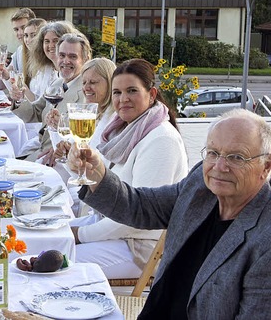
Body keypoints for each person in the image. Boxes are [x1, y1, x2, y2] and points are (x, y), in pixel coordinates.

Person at [69, 109, 271, 318]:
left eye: (237, 157)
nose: (219, 166)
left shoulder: (266, 240)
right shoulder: (200, 187)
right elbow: (140, 206)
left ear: (266, 166)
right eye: (213, 153)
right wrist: (97, 173)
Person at [67, 58, 188, 279]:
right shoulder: (124, 130)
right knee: (44, 238)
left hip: (138, 246)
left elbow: (136, 217)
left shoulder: (162, 140)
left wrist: (80, 234)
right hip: (110, 228)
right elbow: (110, 194)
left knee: (57, 260)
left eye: (131, 90)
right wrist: (78, 166)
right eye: (117, 93)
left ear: (151, 94)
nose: (123, 99)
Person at [50, 57, 116, 215]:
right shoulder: (95, 113)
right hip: (80, 185)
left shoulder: (113, 120)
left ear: (110, 83)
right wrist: (56, 134)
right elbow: (74, 151)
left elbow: (93, 167)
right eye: (84, 82)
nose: (87, 87)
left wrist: (70, 154)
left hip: (95, 199)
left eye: (93, 82)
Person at [13, 29, 88, 162]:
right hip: (40, 148)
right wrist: (19, 100)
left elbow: (86, 135)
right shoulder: (57, 83)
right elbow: (36, 111)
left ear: (85, 59)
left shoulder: (86, 91)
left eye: (73, 57)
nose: (66, 61)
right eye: (62, 55)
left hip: (58, 158)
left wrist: (62, 129)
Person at [0, 8, 36, 90]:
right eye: (16, 29)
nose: (20, 33)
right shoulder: (19, 51)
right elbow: (0, 86)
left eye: (23, 27)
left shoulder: (43, 53)